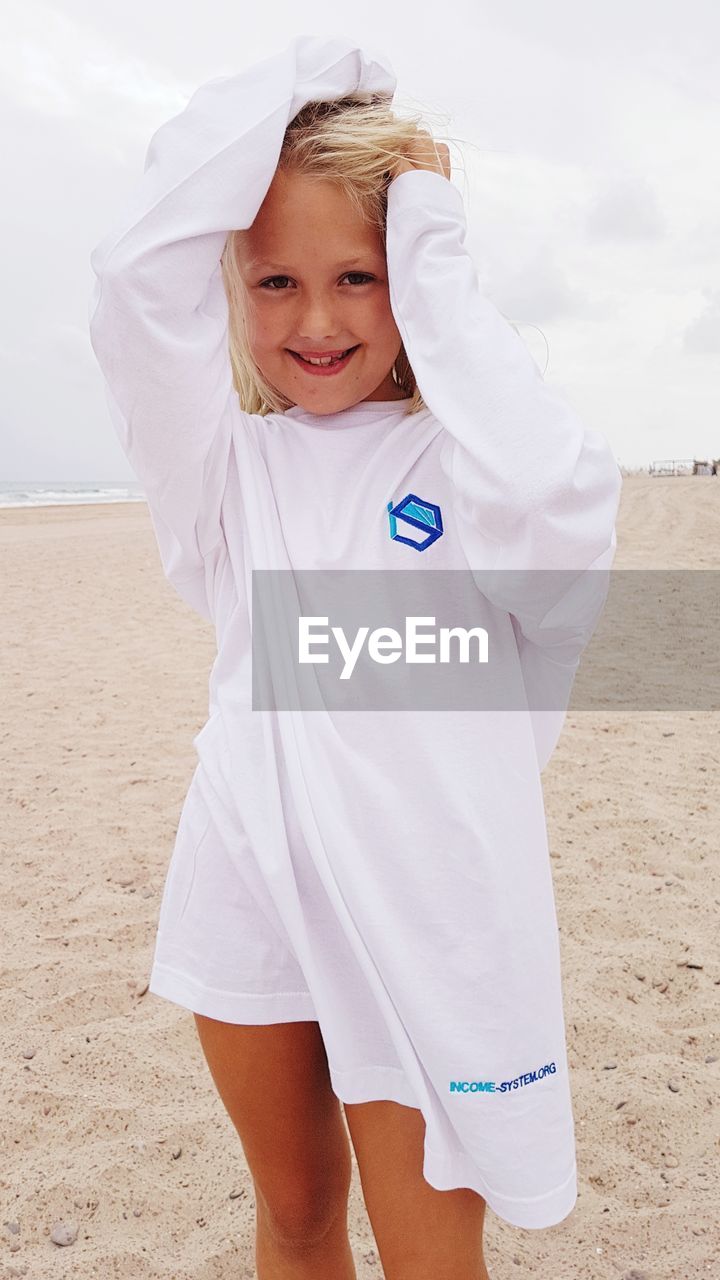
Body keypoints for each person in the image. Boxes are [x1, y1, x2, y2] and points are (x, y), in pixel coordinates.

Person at [88, 33, 622, 1280]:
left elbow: (557, 500)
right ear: (233, 287)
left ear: (416, 283)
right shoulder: (225, 472)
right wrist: (302, 87)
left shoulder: (473, 467)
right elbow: (129, 276)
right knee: (295, 1212)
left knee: (432, 1254)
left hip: (435, 920)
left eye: (360, 276)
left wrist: (430, 240)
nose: (317, 319)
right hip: (247, 883)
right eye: (274, 281)